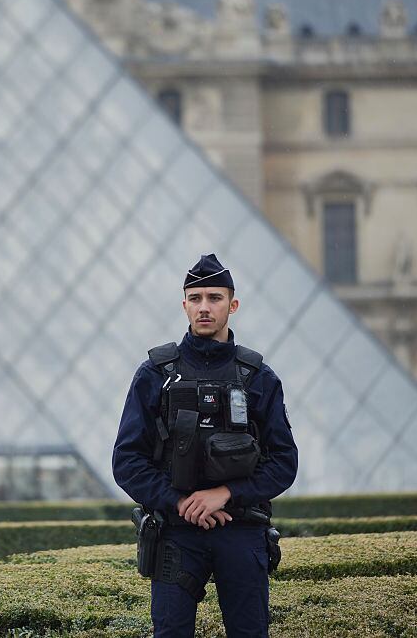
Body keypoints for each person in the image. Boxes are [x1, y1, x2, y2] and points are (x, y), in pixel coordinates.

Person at [113, 253, 298, 637]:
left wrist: (225, 493)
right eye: (195, 299)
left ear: (233, 305)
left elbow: (284, 462)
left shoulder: (259, 378)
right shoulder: (154, 374)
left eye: (214, 298)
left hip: (241, 529)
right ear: (184, 306)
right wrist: (180, 501)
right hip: (175, 531)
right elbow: (127, 460)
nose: (204, 308)